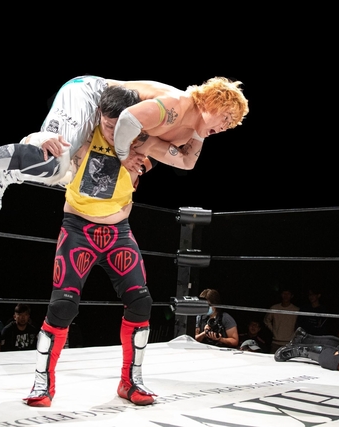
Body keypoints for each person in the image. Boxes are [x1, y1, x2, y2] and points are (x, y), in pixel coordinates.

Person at [24, 82, 247, 409]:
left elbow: (184, 160)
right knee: (63, 306)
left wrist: (192, 134)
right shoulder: (83, 133)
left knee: (141, 302)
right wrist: (40, 139)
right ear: (100, 114)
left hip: (119, 231)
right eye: (109, 121)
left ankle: (130, 380)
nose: (113, 126)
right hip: (78, 229)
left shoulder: (145, 140)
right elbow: (38, 143)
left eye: (119, 121)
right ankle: (42, 382)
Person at [0, 75, 248, 212]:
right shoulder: (177, 105)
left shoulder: (190, 132)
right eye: (226, 118)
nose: (225, 127)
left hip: (106, 125)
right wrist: (126, 155)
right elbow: (127, 121)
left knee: (82, 180)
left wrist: (147, 152)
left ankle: (10, 172)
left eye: (230, 125)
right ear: (214, 102)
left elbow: (187, 162)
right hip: (90, 98)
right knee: (53, 158)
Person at [263, 288, 299, 354]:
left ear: (291, 296)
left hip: (289, 342)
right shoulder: (274, 308)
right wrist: (273, 330)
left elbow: (299, 324)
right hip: (275, 342)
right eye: (284, 293)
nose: (286, 296)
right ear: (281, 294)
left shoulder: (296, 310)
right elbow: (266, 320)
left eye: (288, 294)